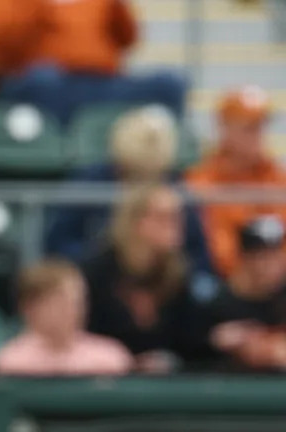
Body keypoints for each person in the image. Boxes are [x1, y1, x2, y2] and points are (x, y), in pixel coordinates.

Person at [0, 0, 186, 126]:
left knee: (169, 84)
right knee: (43, 80)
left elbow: (128, 38)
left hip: (103, 83)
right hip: (45, 85)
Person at [45, 105, 213, 276]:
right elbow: (59, 243)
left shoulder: (174, 187)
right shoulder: (90, 182)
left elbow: (198, 254)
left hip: (162, 280)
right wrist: (95, 262)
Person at [81, 182, 194, 372]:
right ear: (134, 221)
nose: (175, 225)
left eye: (177, 217)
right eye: (163, 217)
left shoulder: (178, 275)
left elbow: (189, 344)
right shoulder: (97, 273)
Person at [186, 85, 286, 278]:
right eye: (250, 128)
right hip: (226, 281)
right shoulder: (202, 181)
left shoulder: (276, 177)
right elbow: (216, 247)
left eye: (261, 127)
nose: (258, 135)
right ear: (224, 128)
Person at [0, 259, 133, 375]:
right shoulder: (10, 362)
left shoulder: (111, 358)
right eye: (61, 302)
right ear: (29, 308)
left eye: (78, 301)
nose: (74, 310)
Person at [190, 216, 286, 371]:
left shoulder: (282, 295)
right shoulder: (217, 303)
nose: (272, 265)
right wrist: (214, 341)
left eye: (276, 254)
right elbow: (191, 354)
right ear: (244, 258)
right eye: (263, 257)